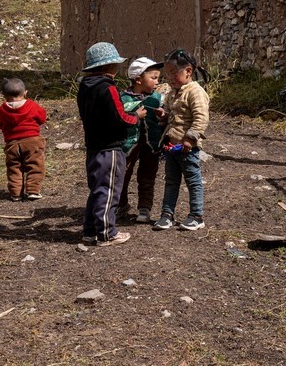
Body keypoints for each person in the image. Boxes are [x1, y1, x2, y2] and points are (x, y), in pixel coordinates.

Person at [77, 42, 146, 246]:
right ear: (108, 67)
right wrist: (137, 116)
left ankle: (89, 231)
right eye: (116, 65)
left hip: (93, 147)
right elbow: (120, 117)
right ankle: (107, 233)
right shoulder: (109, 89)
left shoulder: (84, 88)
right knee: (109, 191)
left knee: (97, 190)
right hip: (110, 148)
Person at [153, 49, 210, 232]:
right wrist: (164, 115)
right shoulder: (172, 92)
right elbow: (171, 114)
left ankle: (196, 216)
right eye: (167, 74)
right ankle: (167, 214)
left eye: (173, 73)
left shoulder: (196, 92)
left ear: (188, 71)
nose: (169, 78)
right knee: (171, 181)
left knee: (193, 182)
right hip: (172, 147)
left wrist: (189, 139)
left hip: (187, 148)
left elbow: (201, 118)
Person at [118, 57, 165, 223]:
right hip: (129, 144)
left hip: (151, 144)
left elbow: (165, 121)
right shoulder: (123, 99)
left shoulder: (157, 99)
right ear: (138, 79)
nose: (157, 81)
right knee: (122, 174)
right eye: (153, 78)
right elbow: (120, 117)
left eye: (158, 78)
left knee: (147, 176)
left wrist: (163, 116)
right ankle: (120, 205)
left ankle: (144, 208)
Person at [0, 77, 47, 201]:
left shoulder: (1, 110)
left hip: (12, 143)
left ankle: (16, 193)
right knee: (35, 165)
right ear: (25, 93)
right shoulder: (32, 105)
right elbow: (42, 118)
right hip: (32, 141)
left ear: (4, 96)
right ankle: (33, 190)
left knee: (14, 168)